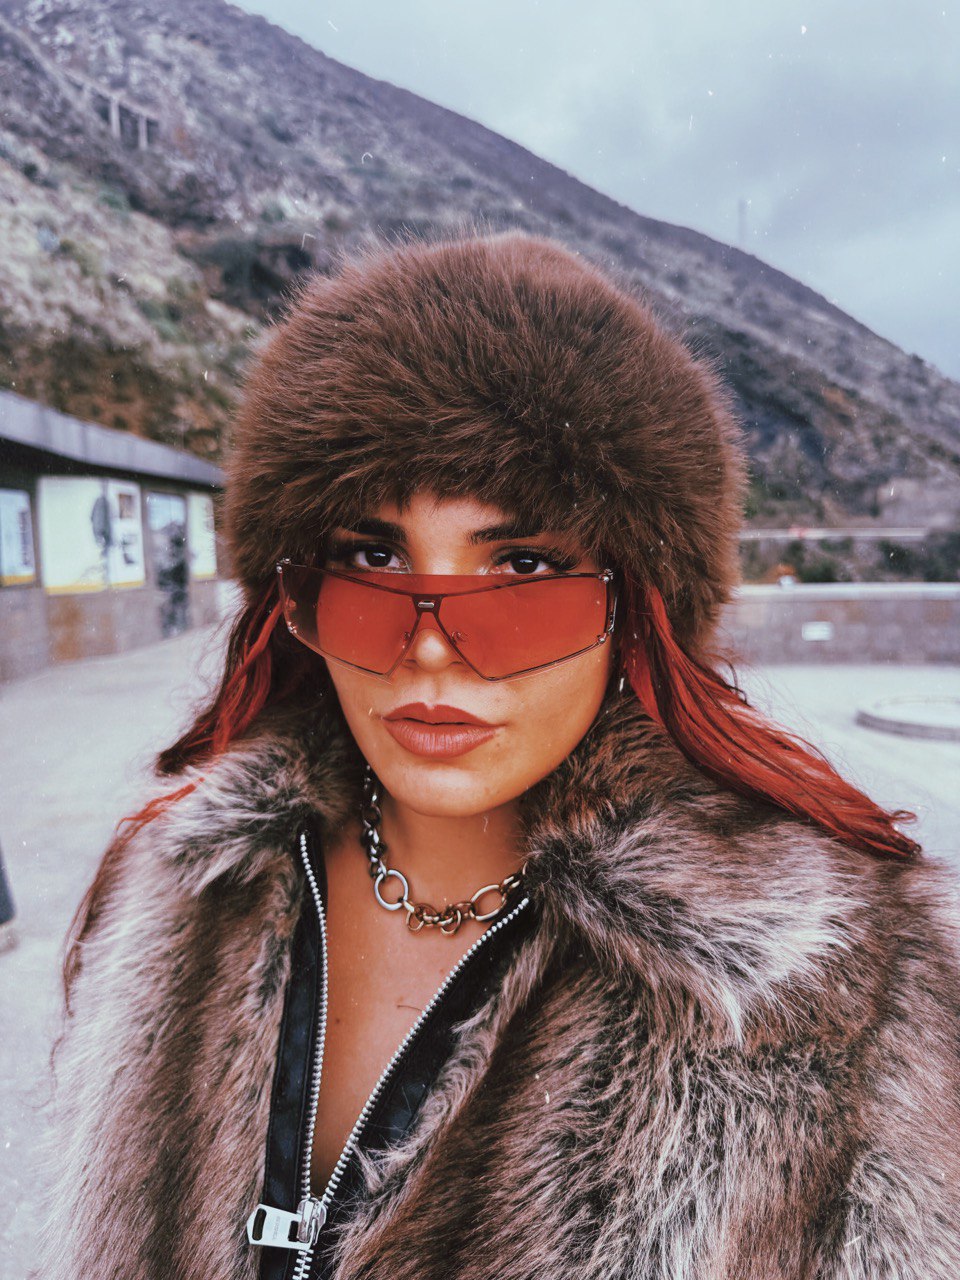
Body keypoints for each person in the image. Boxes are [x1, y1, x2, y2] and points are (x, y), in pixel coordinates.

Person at [35, 229, 960, 1280]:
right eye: (372, 557)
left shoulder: (849, 995)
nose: (431, 646)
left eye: (522, 567)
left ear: (637, 610)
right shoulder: (173, 893)